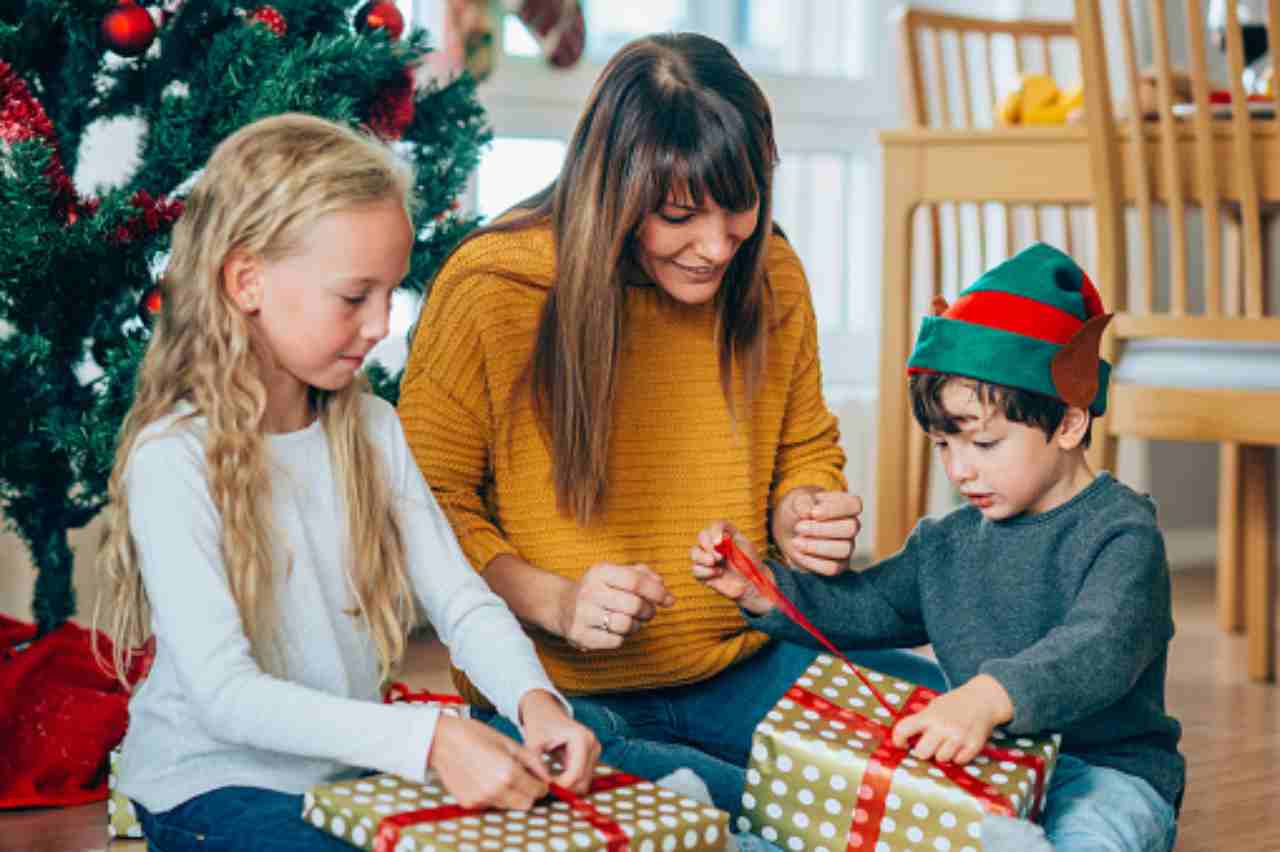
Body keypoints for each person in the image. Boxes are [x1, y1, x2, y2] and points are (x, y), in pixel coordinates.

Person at [396, 32, 941, 818]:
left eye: (741, 206)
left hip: (744, 667)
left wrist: (803, 508)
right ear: (611, 191)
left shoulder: (771, 272)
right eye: (681, 214)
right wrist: (554, 601)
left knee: (967, 735)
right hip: (558, 702)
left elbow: (805, 445)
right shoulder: (493, 287)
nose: (717, 245)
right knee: (749, 814)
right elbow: (428, 509)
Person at [95, 113, 599, 852]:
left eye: (391, 295)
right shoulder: (172, 457)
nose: (379, 325)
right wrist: (429, 741)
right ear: (248, 281)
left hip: (349, 771)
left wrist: (537, 705)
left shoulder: (372, 429)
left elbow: (461, 603)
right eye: (354, 296)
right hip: (209, 786)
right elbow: (225, 696)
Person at [692, 243, 1185, 852]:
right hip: (994, 762)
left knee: (1092, 838)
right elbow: (867, 606)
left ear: (1068, 424)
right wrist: (765, 592)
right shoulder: (947, 542)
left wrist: (986, 696)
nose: (960, 471)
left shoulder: (1122, 534)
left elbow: (1096, 647)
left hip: (1109, 773)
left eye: (984, 444)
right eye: (943, 446)